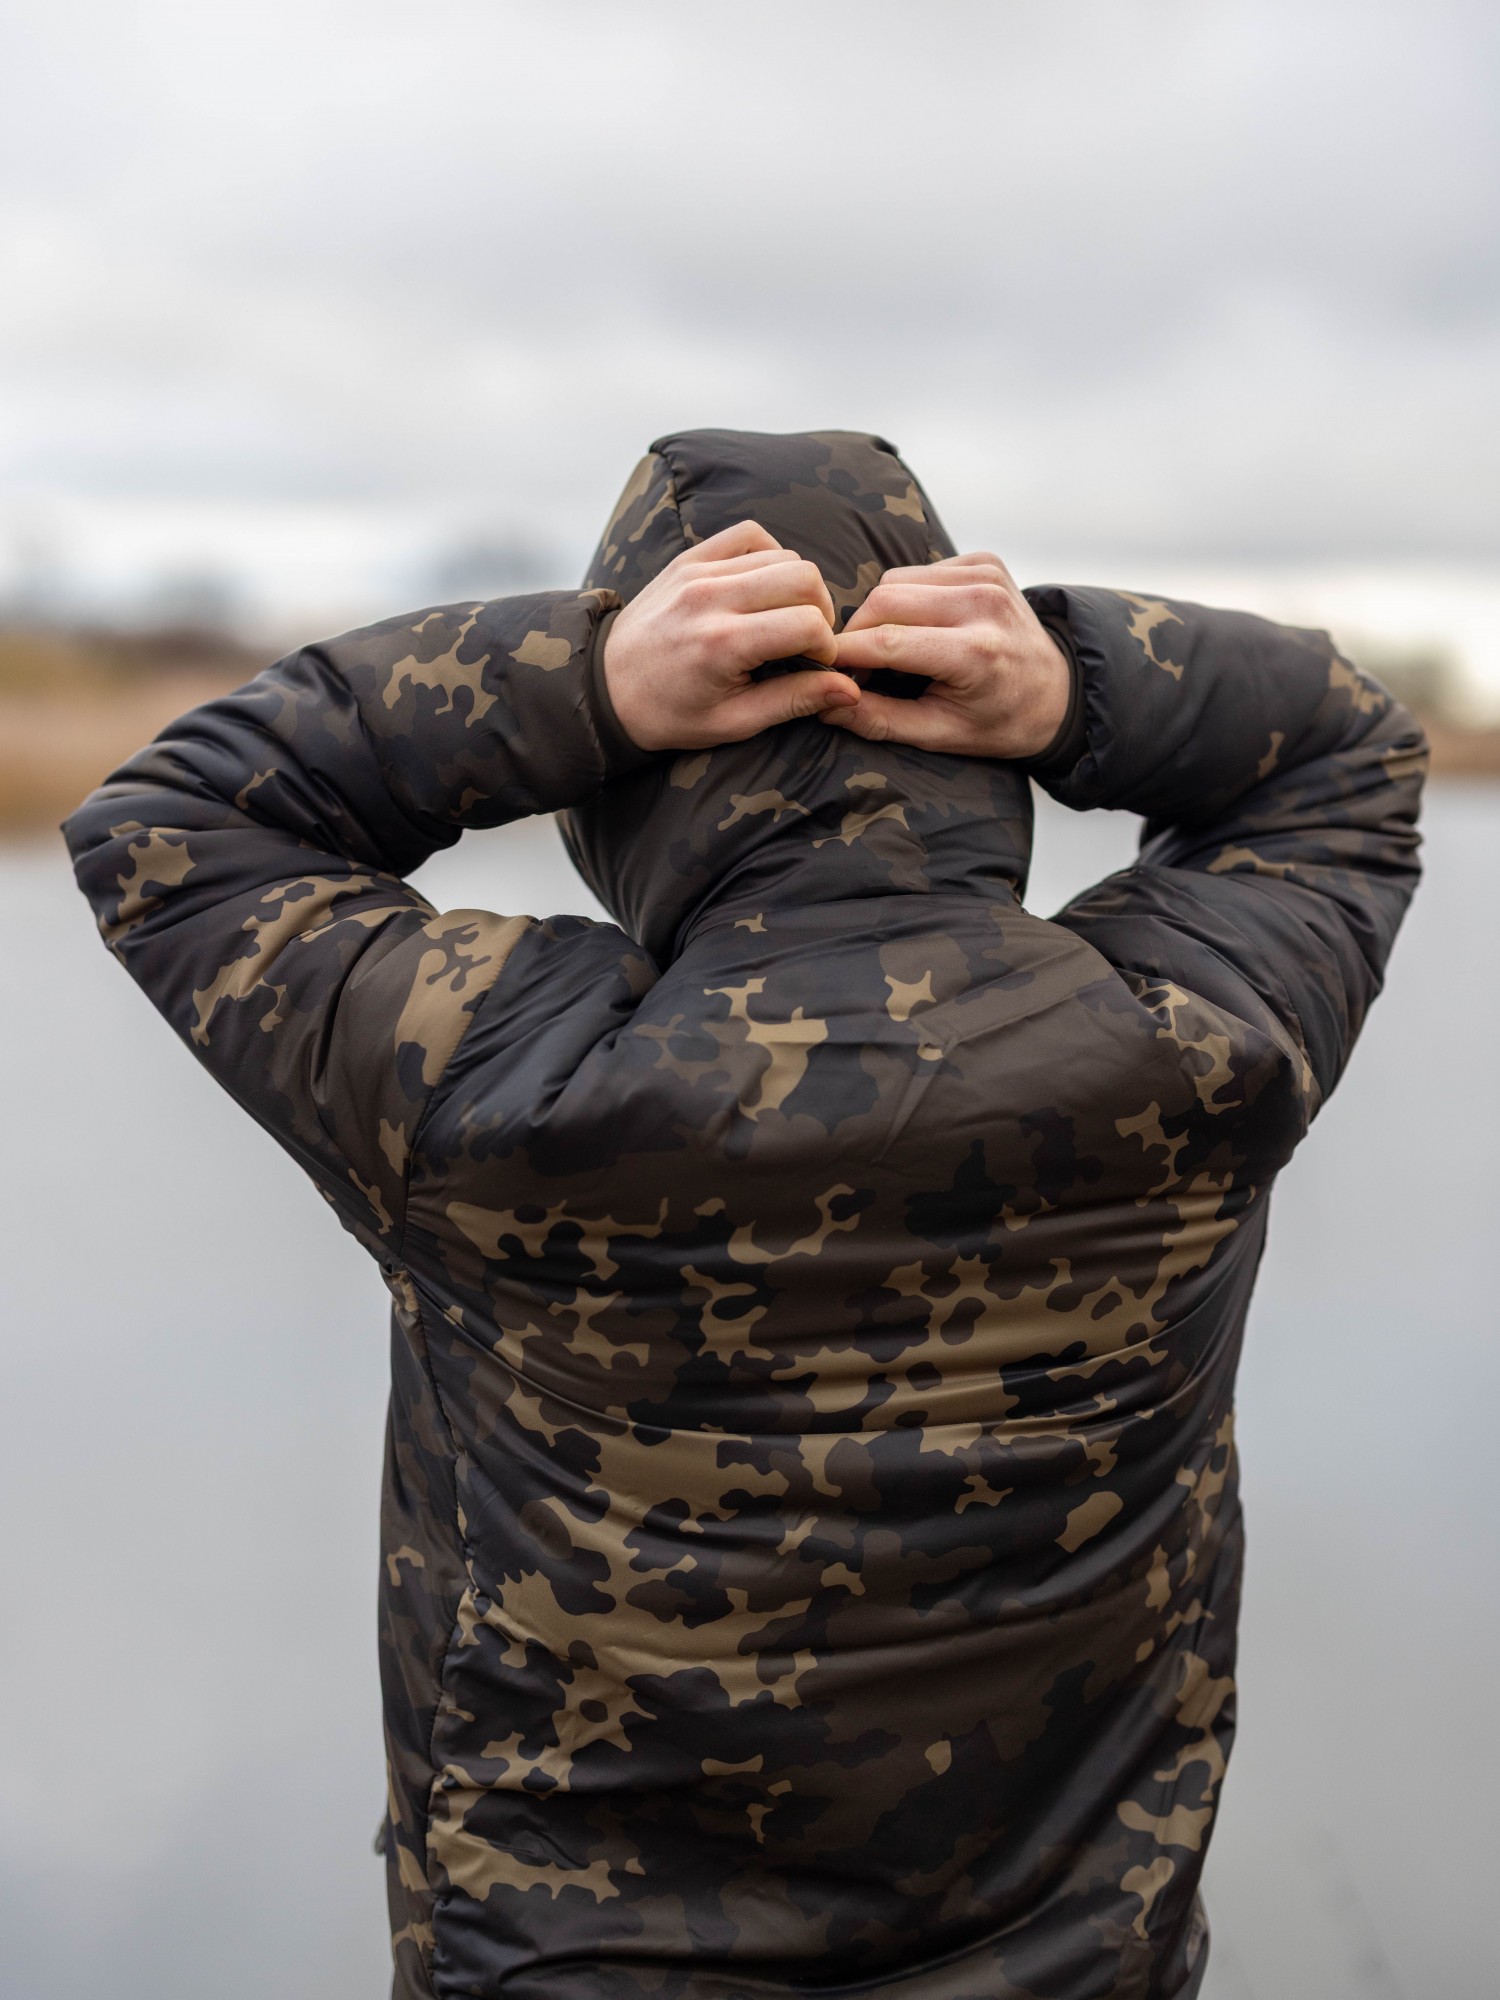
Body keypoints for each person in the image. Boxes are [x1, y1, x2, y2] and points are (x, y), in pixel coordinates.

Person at [64, 429, 1425, 1999]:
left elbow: (172, 825)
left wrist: (582, 683)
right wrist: (1075, 684)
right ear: (976, 737)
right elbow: (1345, 753)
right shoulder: (1199, 1051)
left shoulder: (497, 1091)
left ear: (627, 798)